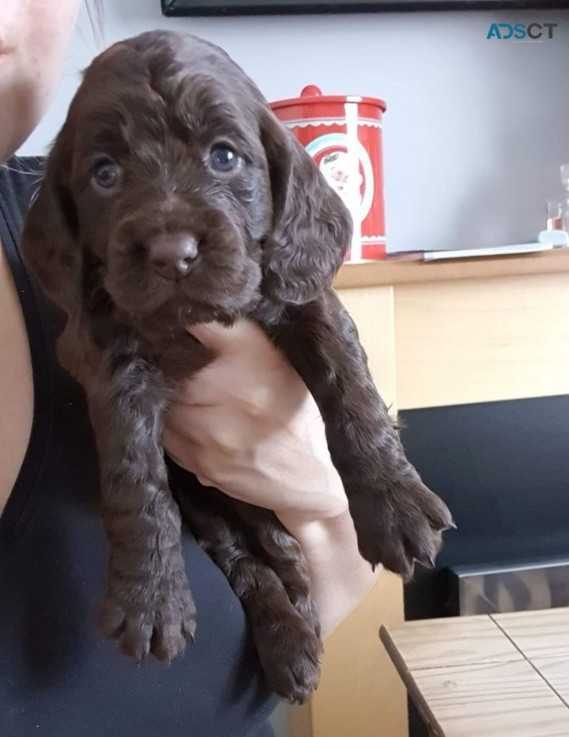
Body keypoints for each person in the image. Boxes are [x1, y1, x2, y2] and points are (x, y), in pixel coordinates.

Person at [0, 2, 380, 735]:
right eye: (108, 172)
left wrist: (317, 497)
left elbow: (344, 585)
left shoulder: (66, 227)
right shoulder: (82, 231)